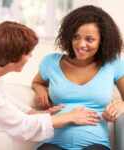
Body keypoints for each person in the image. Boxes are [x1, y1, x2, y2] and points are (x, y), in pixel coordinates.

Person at [0, 21, 101, 150]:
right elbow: (22, 126)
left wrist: (33, 112)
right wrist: (70, 116)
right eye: (27, 52)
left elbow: (3, 99)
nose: (31, 55)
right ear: (12, 58)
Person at [32, 5, 124, 150]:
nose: (81, 44)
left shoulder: (113, 63)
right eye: (76, 37)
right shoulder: (50, 62)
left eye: (89, 39)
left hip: (95, 145)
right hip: (52, 143)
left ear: (102, 40)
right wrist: (40, 90)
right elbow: (37, 82)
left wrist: (120, 105)